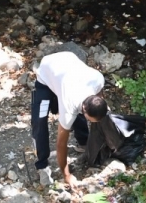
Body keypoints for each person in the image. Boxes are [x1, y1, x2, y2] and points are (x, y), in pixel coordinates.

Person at [32, 51, 108, 188]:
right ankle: (41, 164)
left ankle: (83, 142)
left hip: (68, 62)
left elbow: (100, 102)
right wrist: (66, 175)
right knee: (40, 121)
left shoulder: (98, 80)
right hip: (47, 74)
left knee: (77, 114)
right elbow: (61, 144)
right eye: (90, 120)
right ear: (84, 108)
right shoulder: (69, 104)